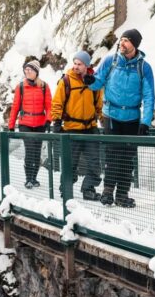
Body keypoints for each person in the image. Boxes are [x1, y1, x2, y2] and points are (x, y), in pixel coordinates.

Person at [84, 29, 154, 207]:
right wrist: (90, 81)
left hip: (132, 117)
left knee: (127, 157)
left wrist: (145, 122)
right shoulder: (111, 60)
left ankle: (122, 195)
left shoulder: (144, 67)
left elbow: (148, 96)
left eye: (126, 41)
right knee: (112, 155)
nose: (122, 43)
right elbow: (98, 81)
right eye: (121, 40)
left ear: (134, 45)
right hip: (112, 115)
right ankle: (107, 193)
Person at [49, 50, 104, 201]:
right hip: (71, 129)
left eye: (79, 64)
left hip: (90, 128)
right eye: (74, 63)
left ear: (87, 65)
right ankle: (65, 189)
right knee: (70, 163)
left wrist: (103, 119)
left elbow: (99, 104)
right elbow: (57, 103)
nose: (76, 66)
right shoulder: (66, 81)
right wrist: (57, 122)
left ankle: (88, 189)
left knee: (94, 162)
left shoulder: (94, 82)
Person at [8, 60, 52, 188]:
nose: (27, 72)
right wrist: (11, 126)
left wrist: (48, 120)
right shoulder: (20, 87)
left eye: (30, 70)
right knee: (30, 150)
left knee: (37, 151)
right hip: (25, 123)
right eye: (25, 69)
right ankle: (28, 178)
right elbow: (15, 107)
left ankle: (34, 178)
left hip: (40, 124)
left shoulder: (44, 86)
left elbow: (49, 106)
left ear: (36, 72)